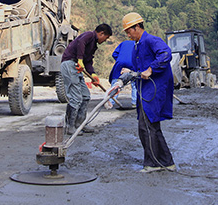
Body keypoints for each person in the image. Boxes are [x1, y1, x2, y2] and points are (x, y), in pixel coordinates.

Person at [122, 12, 175, 173]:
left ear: (137, 27)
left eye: (129, 31)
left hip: (154, 89)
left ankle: (152, 163)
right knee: (151, 125)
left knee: (146, 126)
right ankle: (166, 161)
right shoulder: (137, 46)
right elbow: (140, 70)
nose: (128, 34)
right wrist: (131, 72)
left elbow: (166, 54)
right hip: (144, 89)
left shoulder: (151, 40)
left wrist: (151, 70)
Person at [60, 23, 112, 135]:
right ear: (101, 33)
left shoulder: (93, 45)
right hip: (69, 64)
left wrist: (93, 75)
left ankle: (80, 124)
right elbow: (80, 42)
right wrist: (79, 59)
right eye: (106, 38)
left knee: (85, 96)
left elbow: (88, 61)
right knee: (75, 97)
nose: (105, 40)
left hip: (77, 68)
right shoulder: (89, 35)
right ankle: (70, 126)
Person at [108, 40, 137, 108]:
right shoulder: (139, 43)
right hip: (132, 62)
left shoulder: (124, 42)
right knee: (135, 83)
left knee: (116, 82)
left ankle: (110, 102)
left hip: (120, 62)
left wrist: (120, 60)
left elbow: (114, 54)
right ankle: (135, 102)